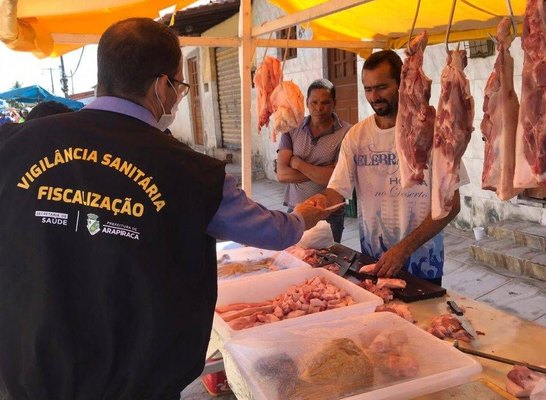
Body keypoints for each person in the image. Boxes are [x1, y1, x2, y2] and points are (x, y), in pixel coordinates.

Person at [0, 18, 329, 400]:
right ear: (162, 86)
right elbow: (270, 232)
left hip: (26, 372)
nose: (177, 98)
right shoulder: (192, 172)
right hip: (131, 381)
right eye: (179, 87)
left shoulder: (15, 145)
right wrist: (303, 216)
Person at [305, 50, 468, 285]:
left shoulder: (431, 132)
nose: (374, 97)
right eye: (368, 89)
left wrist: (403, 250)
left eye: (381, 87)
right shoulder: (357, 136)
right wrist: (313, 206)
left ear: (401, 84)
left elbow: (451, 204)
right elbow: (336, 190)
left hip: (423, 263)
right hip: (374, 260)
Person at [276, 78, 352, 242]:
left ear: (334, 103)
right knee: (295, 261)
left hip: (329, 213)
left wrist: (298, 164)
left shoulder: (347, 133)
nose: (319, 108)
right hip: (297, 212)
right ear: (307, 103)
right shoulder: (292, 127)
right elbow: (282, 175)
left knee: (328, 264)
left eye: (325, 102)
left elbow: (338, 178)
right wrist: (324, 171)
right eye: (314, 102)